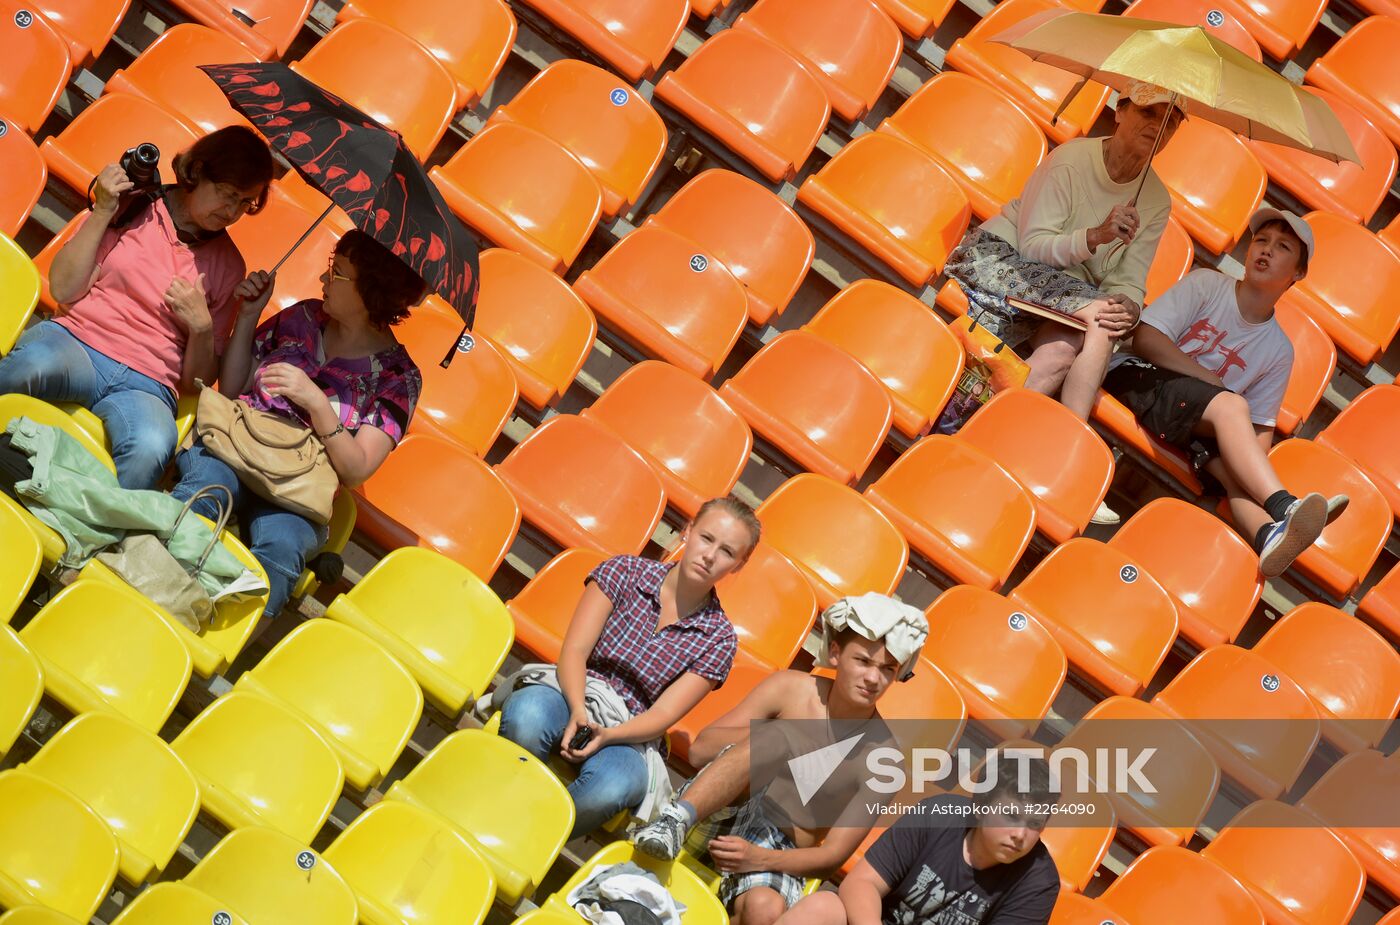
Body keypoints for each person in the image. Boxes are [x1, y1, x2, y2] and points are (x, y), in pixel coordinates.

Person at [629, 594, 930, 925]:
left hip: (779, 848)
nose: (874, 679)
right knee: (779, 735)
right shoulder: (789, 688)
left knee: (766, 909)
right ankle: (673, 822)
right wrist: (778, 744)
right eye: (863, 661)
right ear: (835, 654)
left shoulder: (884, 758)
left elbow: (832, 857)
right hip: (714, 810)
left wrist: (760, 858)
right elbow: (701, 750)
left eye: (887, 669)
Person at [0, 127, 274, 489]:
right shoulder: (136, 205)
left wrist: (202, 328)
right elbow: (65, 289)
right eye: (227, 195)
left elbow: (198, 383)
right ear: (197, 172)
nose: (233, 211)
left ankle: (78, 536)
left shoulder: (230, 266)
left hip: (148, 385)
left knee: (151, 447)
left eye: (245, 203)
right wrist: (102, 211)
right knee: (25, 367)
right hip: (79, 342)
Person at [170, 229, 425, 617]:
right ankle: (149, 589)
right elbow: (233, 385)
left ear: (371, 291)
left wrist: (316, 402)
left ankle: (221, 641)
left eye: (337, 272)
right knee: (203, 491)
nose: (324, 279)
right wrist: (250, 314)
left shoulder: (397, 377)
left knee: (282, 547)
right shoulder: (303, 317)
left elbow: (356, 469)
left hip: (299, 491)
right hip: (236, 446)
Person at [492, 497, 760, 838]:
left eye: (726, 552)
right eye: (706, 538)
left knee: (614, 785)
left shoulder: (719, 639)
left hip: (633, 732)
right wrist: (577, 709)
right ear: (687, 532)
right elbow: (574, 651)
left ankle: (527, 837)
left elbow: (663, 714)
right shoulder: (624, 571)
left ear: (738, 564)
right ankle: (497, 809)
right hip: (576, 689)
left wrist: (609, 735)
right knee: (529, 716)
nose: (710, 555)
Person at [1104, 209, 1345, 577]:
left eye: (1282, 248)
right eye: (1261, 241)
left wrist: (1246, 465)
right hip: (1140, 380)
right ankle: (1285, 506)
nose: (1265, 250)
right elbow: (1147, 337)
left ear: (1297, 275)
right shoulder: (1207, 284)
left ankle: (1268, 535)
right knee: (1232, 404)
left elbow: (1260, 429)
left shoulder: (1279, 350)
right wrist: (1209, 382)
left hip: (1190, 421)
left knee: (1238, 479)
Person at [945, 80, 1182, 425]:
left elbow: (1130, 279)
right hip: (1004, 260)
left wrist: (1130, 303)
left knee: (1065, 349)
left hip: (1065, 297)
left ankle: (984, 427)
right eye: (1148, 112)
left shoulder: (1157, 200)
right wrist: (1095, 236)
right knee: (1103, 317)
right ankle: (1073, 432)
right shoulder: (1072, 159)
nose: (1157, 126)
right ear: (1120, 111)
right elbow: (1034, 247)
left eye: (1169, 121)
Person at [773, 757, 1061, 925]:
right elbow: (861, 883)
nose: (1021, 835)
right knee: (822, 906)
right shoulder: (939, 814)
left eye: (1035, 824)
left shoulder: (1038, 880)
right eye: (1011, 816)